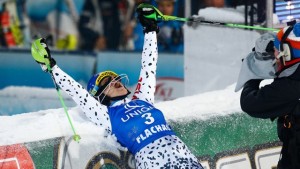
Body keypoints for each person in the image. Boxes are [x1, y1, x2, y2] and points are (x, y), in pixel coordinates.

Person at [31, 5, 203, 169]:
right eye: (108, 83)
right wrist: (52, 67)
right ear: (98, 96)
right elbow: (78, 92)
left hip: (185, 158)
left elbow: (149, 67)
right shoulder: (107, 115)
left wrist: (150, 29)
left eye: (117, 79)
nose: (117, 82)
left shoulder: (142, 100)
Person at [239, 21, 300, 169]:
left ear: (288, 52)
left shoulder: (290, 86)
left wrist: (255, 72)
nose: (275, 56)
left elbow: (249, 102)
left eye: (278, 51)